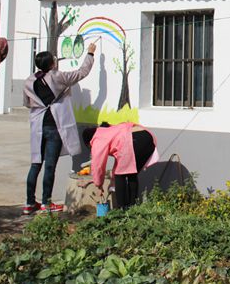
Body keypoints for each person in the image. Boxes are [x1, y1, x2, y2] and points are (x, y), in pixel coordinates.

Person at [22, 43, 97, 214]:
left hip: (38, 126)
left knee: (35, 164)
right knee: (50, 166)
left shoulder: (29, 81)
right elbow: (82, 72)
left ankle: (29, 203)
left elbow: (27, 103)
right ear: (51, 64)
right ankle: (46, 203)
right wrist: (90, 54)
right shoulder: (58, 77)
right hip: (54, 126)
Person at [81, 122, 159, 209]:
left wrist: (99, 184)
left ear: (89, 142)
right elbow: (120, 160)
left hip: (134, 139)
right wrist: (112, 179)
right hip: (147, 136)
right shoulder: (108, 131)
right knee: (131, 173)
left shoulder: (97, 139)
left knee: (119, 176)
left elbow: (98, 165)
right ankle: (133, 207)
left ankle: (121, 209)